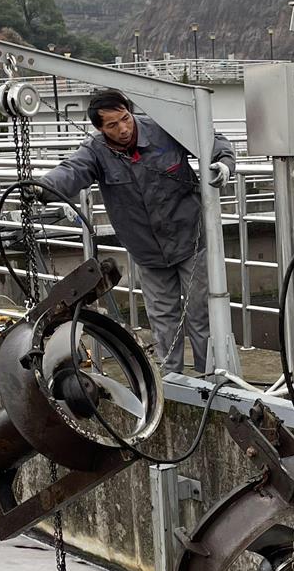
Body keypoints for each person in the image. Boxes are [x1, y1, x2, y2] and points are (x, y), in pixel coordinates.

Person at [36, 90, 235, 373]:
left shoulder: (164, 129)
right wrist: (42, 188)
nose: (123, 129)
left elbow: (213, 142)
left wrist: (224, 164)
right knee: (163, 318)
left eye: (125, 119)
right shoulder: (96, 151)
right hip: (148, 251)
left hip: (190, 238)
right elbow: (72, 171)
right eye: (112, 126)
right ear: (99, 129)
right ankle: (173, 381)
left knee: (202, 315)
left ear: (131, 112)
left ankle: (210, 376)